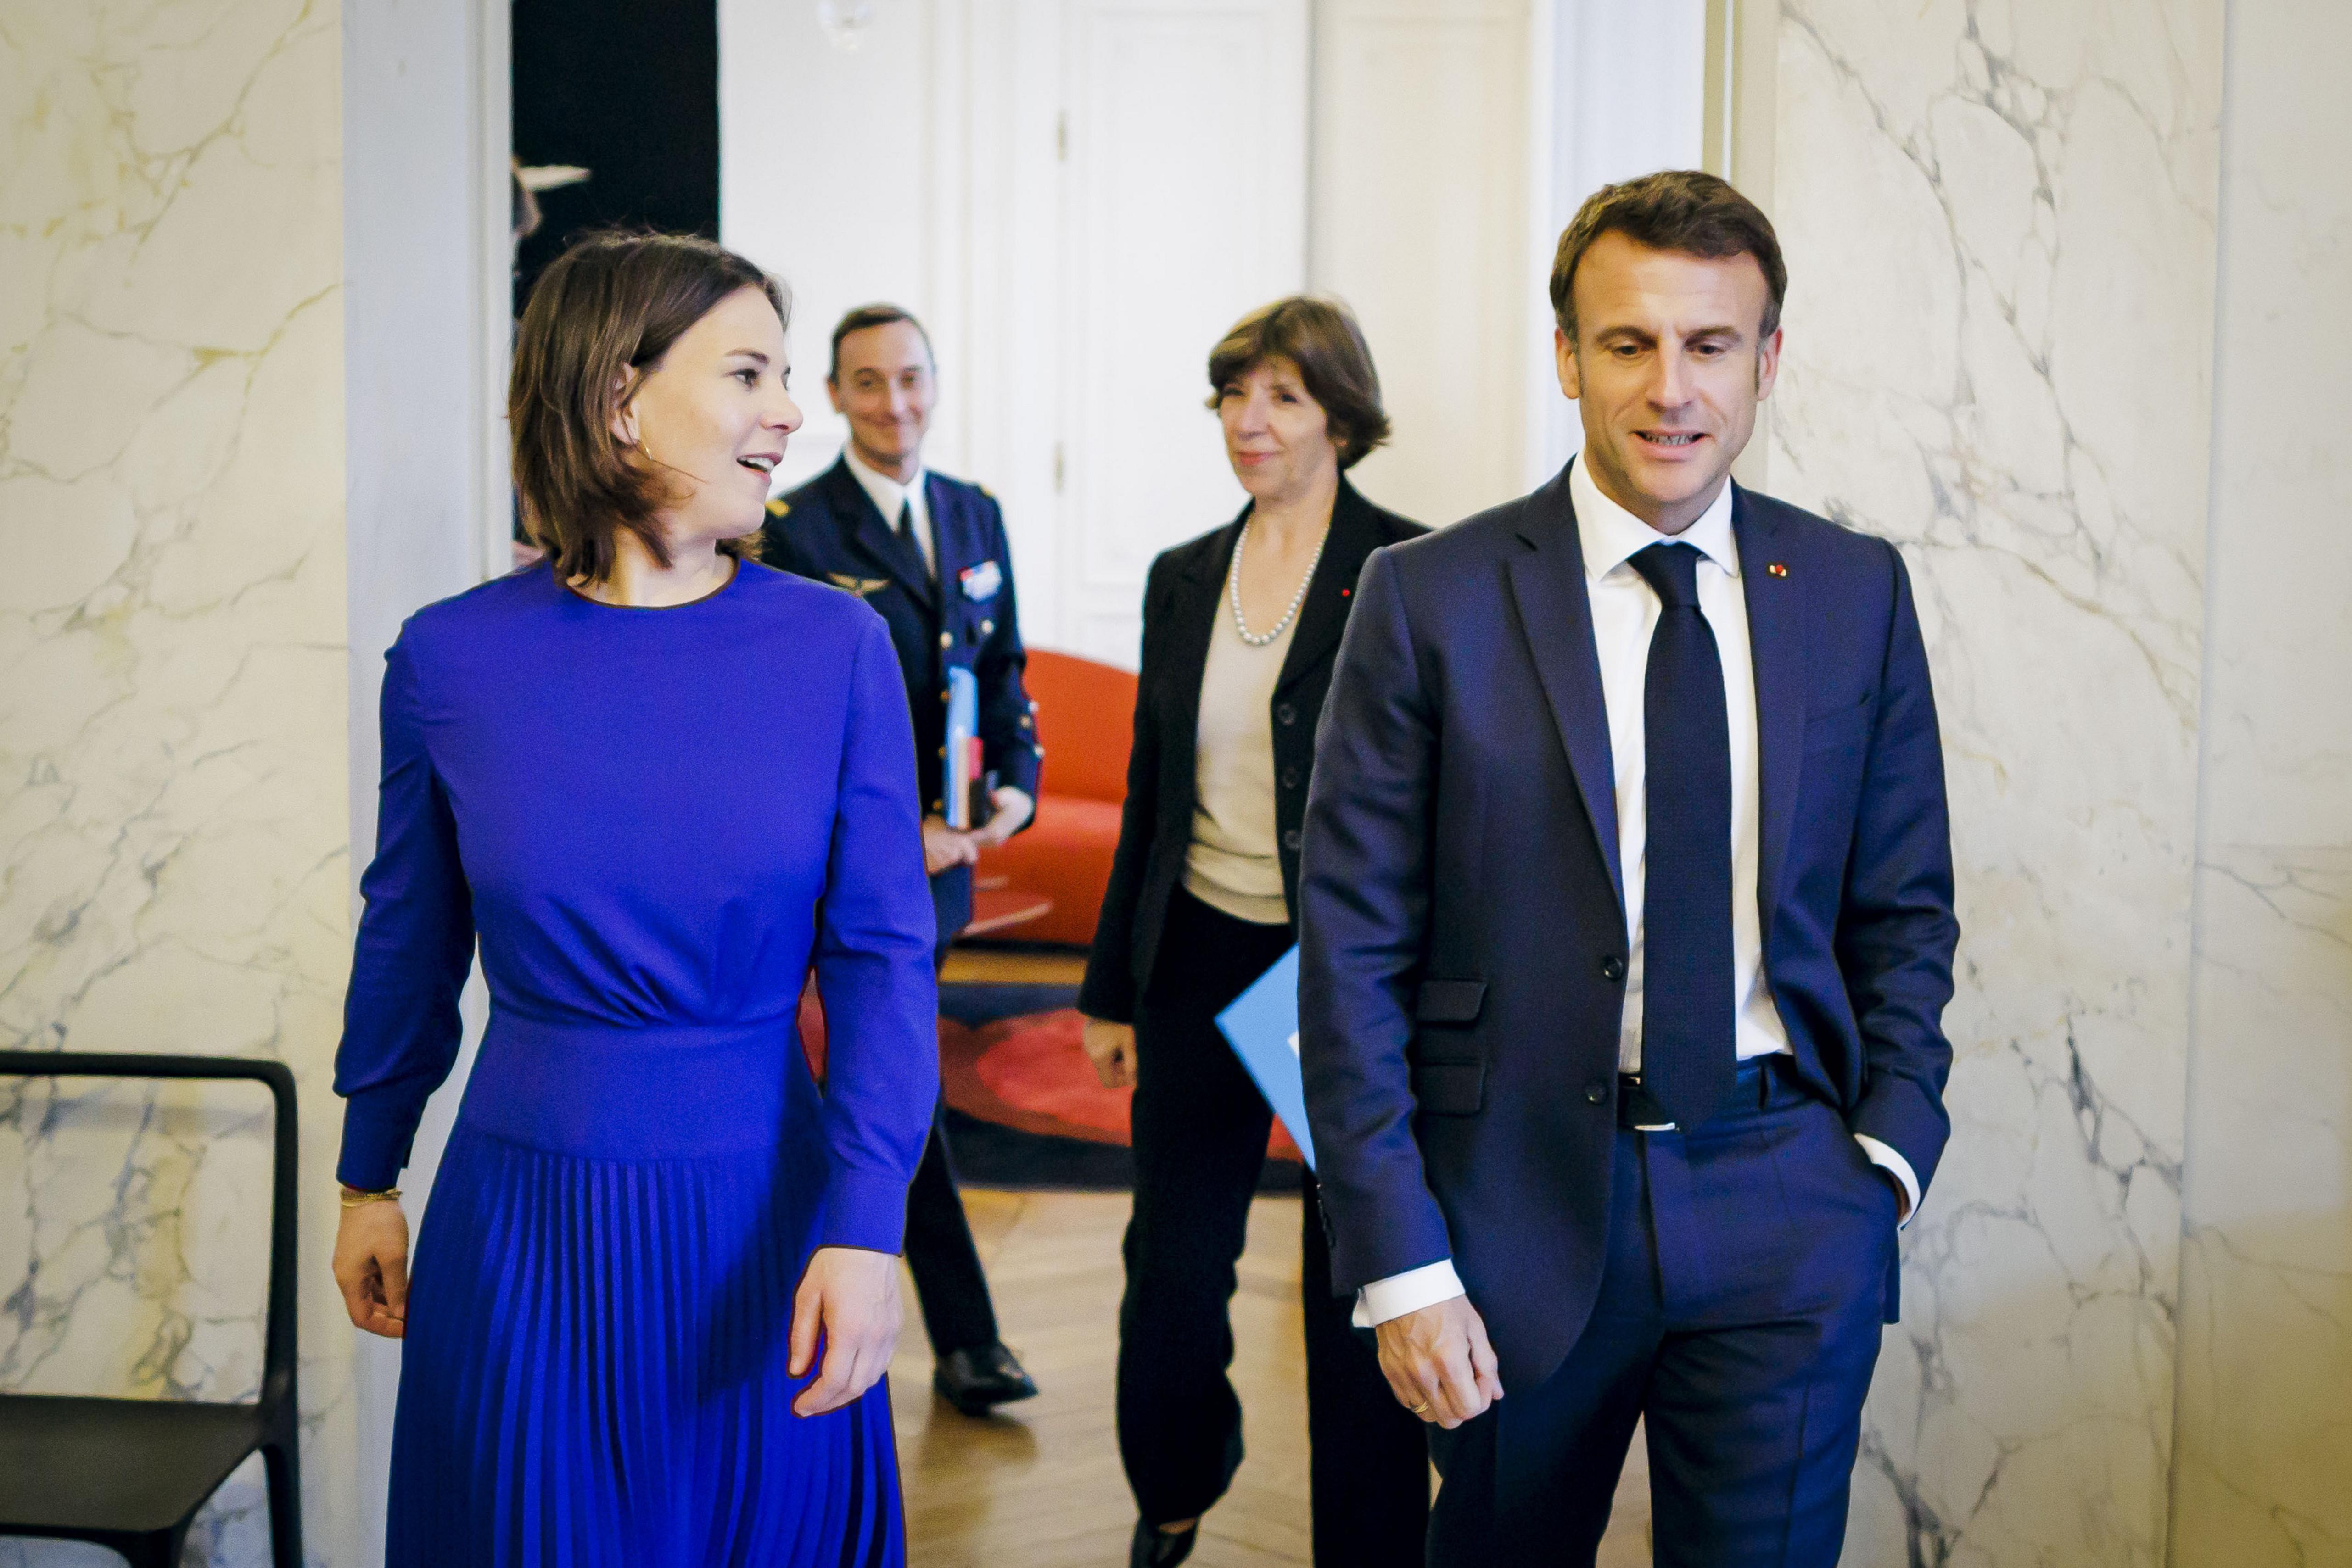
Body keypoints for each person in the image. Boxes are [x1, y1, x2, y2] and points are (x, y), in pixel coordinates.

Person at [1299, 170, 1959, 1566]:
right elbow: (1350, 953)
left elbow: (1902, 904)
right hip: (1511, 1209)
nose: (1671, 388)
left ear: (1767, 359)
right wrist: (1402, 1260)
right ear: (1565, 356)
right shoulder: (1430, 598)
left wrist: (1886, 1154)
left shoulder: (1853, 591)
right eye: (1627, 343)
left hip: (1788, 1192)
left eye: (1711, 344)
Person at [329, 232, 938, 1566]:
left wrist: (866, 1224)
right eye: (748, 373)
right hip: (520, 1231)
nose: (789, 411)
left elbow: (887, 959)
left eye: (787, 376)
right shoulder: (448, 659)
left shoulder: (837, 646)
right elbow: (408, 936)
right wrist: (367, 1173)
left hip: (768, 1227)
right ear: (616, 397)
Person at [1079, 297, 1432, 1568]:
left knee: (1363, 1273)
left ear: (1340, 415)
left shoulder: (1409, 569)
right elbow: (1146, 791)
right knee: (1171, 1273)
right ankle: (1175, 1481)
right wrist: (1111, 986)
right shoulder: (1184, 575)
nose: (1249, 421)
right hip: (1196, 951)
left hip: (1343, 975)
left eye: (1280, 396)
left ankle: (1373, 1544)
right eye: (1233, 395)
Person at [761, 304, 1043, 1418]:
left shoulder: (975, 513)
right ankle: (966, 1337)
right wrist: (892, 834)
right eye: (868, 382)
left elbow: (1004, 667)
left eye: (913, 378)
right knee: (891, 1078)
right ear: (833, 394)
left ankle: (899, 1310)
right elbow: (787, 727)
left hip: (955, 858)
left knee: (888, 1078)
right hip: (850, 872)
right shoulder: (791, 524)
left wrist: (1012, 785)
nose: (895, 403)